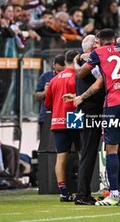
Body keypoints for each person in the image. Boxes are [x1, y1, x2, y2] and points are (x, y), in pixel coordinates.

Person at [71, 28, 120, 206]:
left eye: (97, 42)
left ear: (100, 42)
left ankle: (114, 194)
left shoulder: (99, 53)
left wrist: (75, 62)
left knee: (111, 149)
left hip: (115, 103)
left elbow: (80, 73)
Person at [45, 50, 81, 202]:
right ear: (76, 60)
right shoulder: (78, 77)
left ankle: (63, 192)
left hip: (57, 119)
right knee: (82, 153)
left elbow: (47, 104)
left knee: (61, 157)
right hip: (74, 116)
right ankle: (82, 190)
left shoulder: (54, 80)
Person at [73, 35, 105, 205]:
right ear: (92, 48)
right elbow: (98, 85)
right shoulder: (91, 63)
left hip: (86, 112)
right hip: (92, 113)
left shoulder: (82, 62)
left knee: (88, 152)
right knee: (88, 152)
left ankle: (84, 193)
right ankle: (82, 194)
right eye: (98, 45)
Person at [35, 54, 65, 138]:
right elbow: (37, 96)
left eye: (62, 71)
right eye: (58, 71)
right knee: (45, 144)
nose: (59, 74)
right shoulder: (45, 76)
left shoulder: (69, 77)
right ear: (53, 65)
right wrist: (46, 92)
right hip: (46, 117)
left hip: (63, 117)